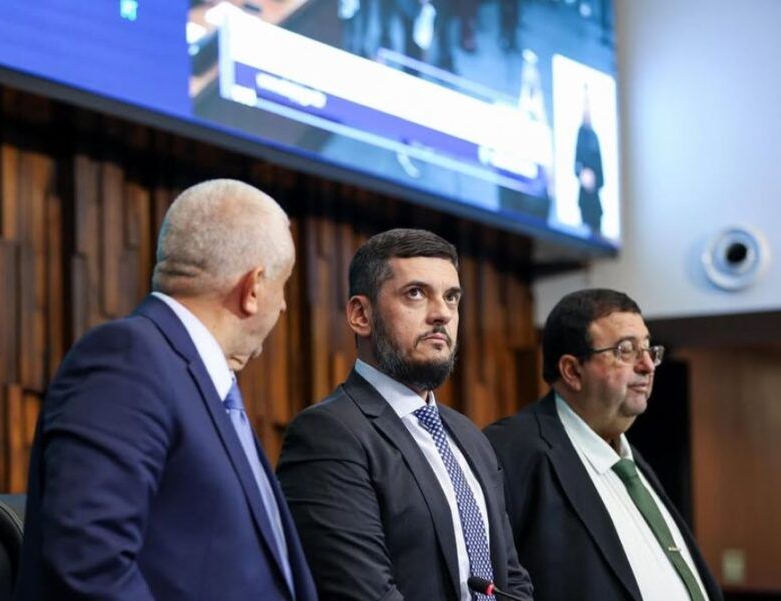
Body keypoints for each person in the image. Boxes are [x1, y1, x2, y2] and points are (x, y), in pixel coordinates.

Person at [15, 179, 317, 601]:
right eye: (283, 285)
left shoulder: (201, 384)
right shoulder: (128, 359)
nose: (283, 306)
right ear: (253, 288)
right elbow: (90, 560)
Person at [277, 228, 532, 601]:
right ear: (361, 315)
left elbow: (510, 578)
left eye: (451, 298)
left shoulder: (469, 436)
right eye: (416, 294)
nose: (442, 314)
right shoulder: (328, 434)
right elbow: (361, 592)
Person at [485, 289, 723, 601]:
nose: (648, 365)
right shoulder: (511, 450)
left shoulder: (633, 464)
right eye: (626, 350)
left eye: (649, 349)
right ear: (572, 371)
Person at [574, 91, 604, 234]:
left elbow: (601, 171)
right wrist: (582, 174)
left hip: (595, 201)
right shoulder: (580, 134)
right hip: (584, 199)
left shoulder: (595, 136)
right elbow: (576, 164)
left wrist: (595, 181)